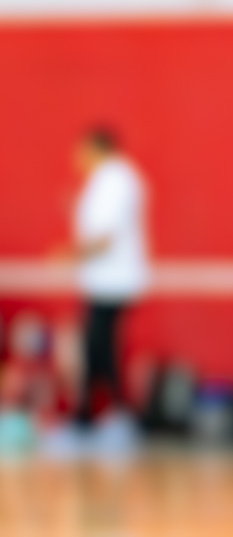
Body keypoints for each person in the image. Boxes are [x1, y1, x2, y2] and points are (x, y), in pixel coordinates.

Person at [68, 127, 149, 451]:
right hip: (105, 279)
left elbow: (104, 236)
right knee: (96, 347)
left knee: (99, 347)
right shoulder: (111, 180)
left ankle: (109, 415)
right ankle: (91, 415)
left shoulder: (115, 180)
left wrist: (69, 253)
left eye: (80, 152)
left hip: (113, 279)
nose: (77, 160)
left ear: (95, 149)